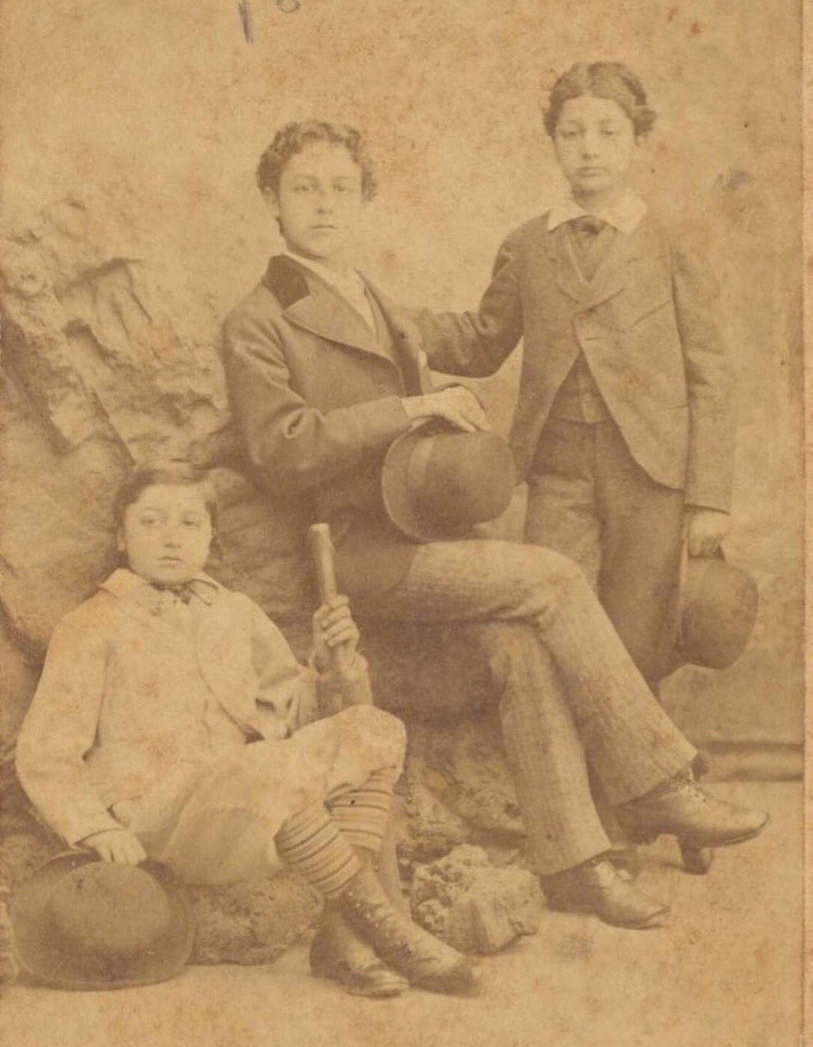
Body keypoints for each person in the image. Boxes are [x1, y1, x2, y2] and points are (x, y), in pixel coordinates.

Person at [221, 119, 767, 931]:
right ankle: (655, 783)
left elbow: (472, 338)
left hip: (425, 539)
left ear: (364, 200)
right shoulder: (260, 318)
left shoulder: (370, 298)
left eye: (341, 188)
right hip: (355, 552)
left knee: (521, 645)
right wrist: (411, 407)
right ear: (271, 199)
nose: (324, 204)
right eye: (305, 188)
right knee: (551, 577)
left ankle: (572, 863)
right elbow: (282, 449)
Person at [15, 459, 479, 998]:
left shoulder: (235, 613)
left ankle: (341, 936)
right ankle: (384, 925)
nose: (171, 537)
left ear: (210, 535)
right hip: (155, 824)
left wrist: (331, 665)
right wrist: (96, 828)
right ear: (121, 536)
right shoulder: (92, 625)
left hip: (247, 815)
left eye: (190, 522)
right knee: (261, 765)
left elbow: (295, 715)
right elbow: (45, 752)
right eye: (151, 522)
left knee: (372, 728)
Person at [405, 61, 736, 686]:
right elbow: (482, 342)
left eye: (609, 133)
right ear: (553, 141)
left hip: (651, 471)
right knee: (554, 618)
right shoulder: (528, 245)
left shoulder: (670, 244)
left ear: (638, 140)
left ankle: (636, 749)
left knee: (639, 635)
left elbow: (711, 376)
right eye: (572, 133)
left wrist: (710, 498)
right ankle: (566, 748)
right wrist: (394, 323)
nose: (590, 149)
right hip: (557, 468)